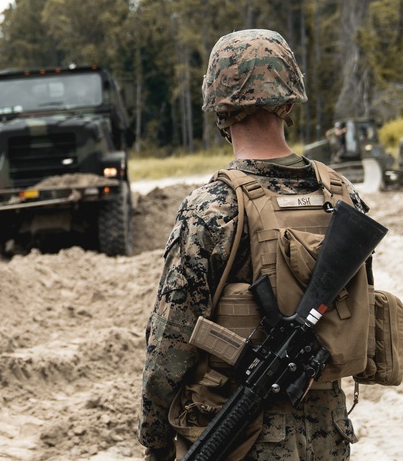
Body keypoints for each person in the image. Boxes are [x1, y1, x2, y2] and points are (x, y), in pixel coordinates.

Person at [138, 29, 371, 460]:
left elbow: (170, 342)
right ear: (288, 102)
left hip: (247, 440)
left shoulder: (212, 206)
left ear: (218, 108)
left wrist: (155, 438)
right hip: (328, 433)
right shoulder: (342, 196)